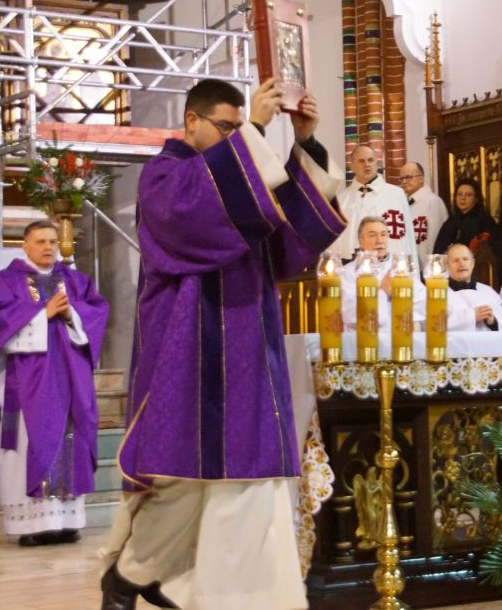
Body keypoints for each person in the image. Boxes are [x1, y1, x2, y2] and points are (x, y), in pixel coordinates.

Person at [100, 78, 345, 610]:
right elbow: (196, 218)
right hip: (189, 346)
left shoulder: (239, 175)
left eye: (239, 129)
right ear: (191, 121)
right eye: (227, 127)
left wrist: (304, 143)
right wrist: (254, 129)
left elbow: (288, 241)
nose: (236, 137)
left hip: (248, 342)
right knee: (181, 480)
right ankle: (132, 574)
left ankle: (228, 595)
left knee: (248, 478)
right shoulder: (165, 176)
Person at [0, 221, 109, 546]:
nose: (48, 247)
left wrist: (71, 315)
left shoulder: (75, 280)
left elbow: (96, 313)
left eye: (52, 241)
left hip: (69, 379)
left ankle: (66, 522)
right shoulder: (7, 282)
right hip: (24, 382)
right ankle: (32, 527)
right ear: (25, 245)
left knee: (68, 441)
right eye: (40, 241)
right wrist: (42, 314)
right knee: (28, 445)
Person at [329, 144, 415, 265]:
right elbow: (334, 242)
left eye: (370, 160)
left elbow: (409, 238)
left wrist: (412, 270)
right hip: (352, 268)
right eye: (361, 161)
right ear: (351, 166)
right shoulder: (340, 200)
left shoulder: (396, 194)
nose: (367, 165)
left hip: (390, 268)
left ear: (377, 163)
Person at [340, 216, 426, 331]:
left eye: (383, 234)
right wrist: (383, 293)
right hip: (365, 339)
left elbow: (426, 306)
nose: (379, 240)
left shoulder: (400, 270)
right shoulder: (347, 273)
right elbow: (351, 315)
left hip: (401, 337)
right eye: (372, 235)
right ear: (360, 241)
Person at [445, 243, 502, 332]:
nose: (461, 263)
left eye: (465, 259)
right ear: (447, 265)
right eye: (456, 260)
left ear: (472, 263)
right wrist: (471, 316)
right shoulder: (438, 293)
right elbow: (434, 324)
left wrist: (494, 321)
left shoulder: (488, 291)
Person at [398, 161, 448, 271]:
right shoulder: (403, 202)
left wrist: (433, 267)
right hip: (409, 266)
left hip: (428, 267)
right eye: (401, 178)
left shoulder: (433, 202)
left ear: (421, 178)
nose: (404, 181)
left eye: (408, 177)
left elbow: (436, 238)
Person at [432, 177, 497, 256]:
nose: (462, 198)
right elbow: (438, 251)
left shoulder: (485, 221)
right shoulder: (450, 222)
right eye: (459, 194)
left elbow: (489, 251)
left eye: (468, 195)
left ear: (476, 199)